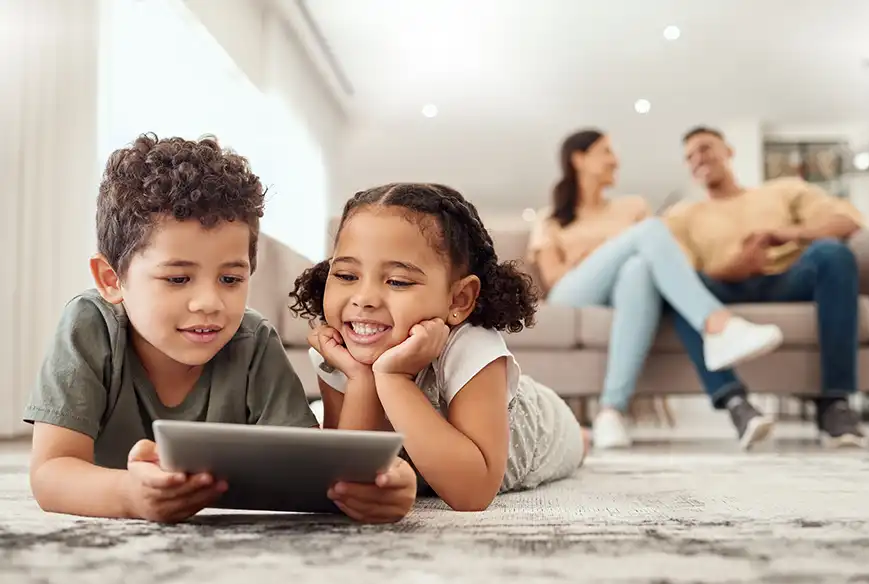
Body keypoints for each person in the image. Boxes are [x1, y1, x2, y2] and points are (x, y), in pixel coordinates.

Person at [24, 134, 417, 524]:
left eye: (230, 280)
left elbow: (311, 472)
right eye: (178, 279)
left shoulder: (253, 341)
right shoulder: (89, 327)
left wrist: (379, 486)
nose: (209, 303)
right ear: (111, 279)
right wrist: (132, 495)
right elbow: (51, 472)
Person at [290, 183, 586, 512]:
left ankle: (586, 437)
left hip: (544, 431)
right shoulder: (337, 352)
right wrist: (361, 379)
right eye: (346, 275)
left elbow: (473, 493)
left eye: (398, 281)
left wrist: (394, 378)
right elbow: (345, 477)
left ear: (458, 299)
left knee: (577, 443)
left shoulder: (471, 347)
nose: (363, 299)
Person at [528, 129, 784, 450]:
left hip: (626, 295)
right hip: (574, 294)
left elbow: (660, 261)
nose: (615, 159)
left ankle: (611, 412)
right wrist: (602, 252)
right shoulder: (550, 219)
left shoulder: (632, 206)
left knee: (638, 270)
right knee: (649, 230)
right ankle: (718, 325)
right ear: (578, 159)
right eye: (606, 151)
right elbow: (554, 278)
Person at [664, 126, 867, 449]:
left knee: (833, 253)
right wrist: (736, 267)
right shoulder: (682, 216)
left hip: (787, 278)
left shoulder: (783, 190)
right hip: (723, 290)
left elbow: (848, 222)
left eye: (704, 148)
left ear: (728, 151)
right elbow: (680, 276)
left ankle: (835, 403)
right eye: (689, 157)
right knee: (679, 291)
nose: (697, 159)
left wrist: (786, 233)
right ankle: (736, 404)